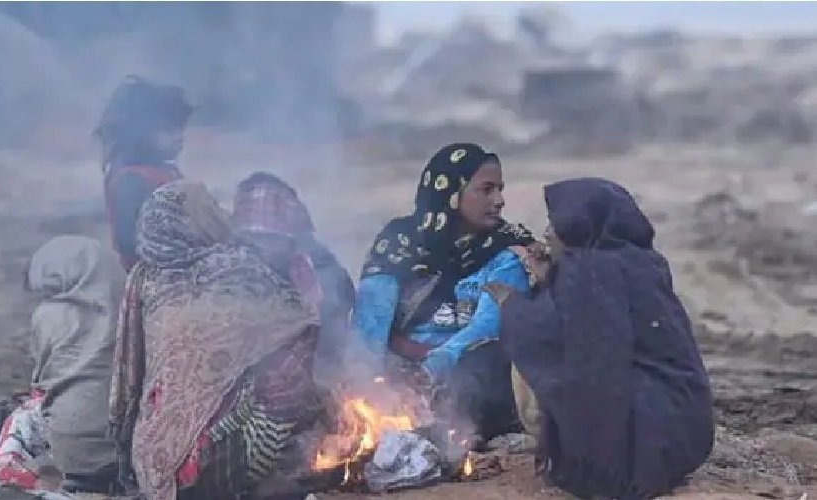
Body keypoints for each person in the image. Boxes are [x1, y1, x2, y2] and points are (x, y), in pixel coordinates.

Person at [499, 178, 714, 499]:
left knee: (525, 334)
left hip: (642, 447)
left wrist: (511, 304)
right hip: (685, 431)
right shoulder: (643, 261)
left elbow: (577, 351)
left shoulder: (590, 270)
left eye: (555, 223)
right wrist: (551, 279)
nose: (546, 233)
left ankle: (591, 462)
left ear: (580, 225)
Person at [108, 180, 322, 500]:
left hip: (153, 461)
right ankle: (256, 474)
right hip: (210, 464)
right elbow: (301, 321)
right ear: (201, 218)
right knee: (292, 362)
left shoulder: (144, 279)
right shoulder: (234, 267)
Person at [352, 142, 537, 440]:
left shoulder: (505, 252)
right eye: (486, 190)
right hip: (399, 373)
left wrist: (430, 370)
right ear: (451, 193)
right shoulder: (399, 244)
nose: (500, 200)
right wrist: (366, 382)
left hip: (466, 378)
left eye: (500, 189)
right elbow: (371, 320)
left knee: (484, 367)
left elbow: (487, 328)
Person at [0, 235, 125, 494]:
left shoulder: (47, 315)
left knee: (26, 416)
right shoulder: (129, 310)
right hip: (125, 451)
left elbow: (42, 382)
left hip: (71, 453)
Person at [231, 171, 355, 371]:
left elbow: (340, 300)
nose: (265, 246)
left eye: (271, 239)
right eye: (257, 239)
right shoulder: (227, 267)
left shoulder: (312, 264)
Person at [96, 76, 193, 270]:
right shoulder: (131, 180)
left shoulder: (164, 170)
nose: (180, 137)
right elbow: (128, 242)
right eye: (168, 130)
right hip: (152, 275)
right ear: (140, 133)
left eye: (180, 129)